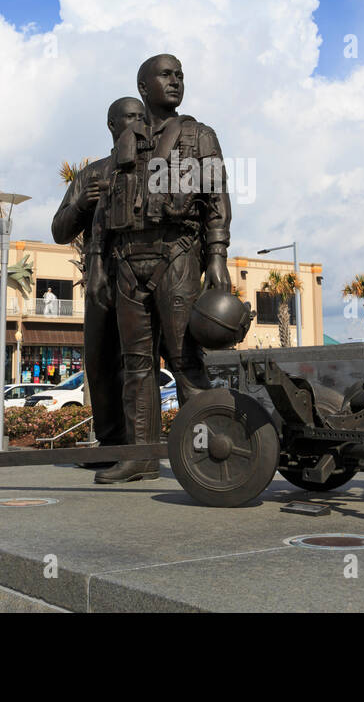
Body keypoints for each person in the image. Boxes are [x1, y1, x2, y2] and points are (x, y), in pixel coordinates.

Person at [97, 55, 232, 484]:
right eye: (166, 75)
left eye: (180, 76)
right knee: (135, 364)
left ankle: (217, 452)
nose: (176, 82)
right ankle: (139, 457)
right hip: (126, 263)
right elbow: (105, 210)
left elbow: (217, 199)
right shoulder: (126, 141)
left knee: (186, 360)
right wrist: (100, 266)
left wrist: (217, 257)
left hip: (176, 254)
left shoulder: (198, 135)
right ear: (143, 85)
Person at [51, 96, 149, 455]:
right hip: (101, 279)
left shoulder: (158, 171)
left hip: (144, 279)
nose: (138, 123)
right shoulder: (92, 173)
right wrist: (80, 205)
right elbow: (59, 231)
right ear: (112, 124)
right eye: (130, 117)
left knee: (139, 361)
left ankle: (142, 448)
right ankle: (111, 443)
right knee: (99, 360)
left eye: (143, 116)